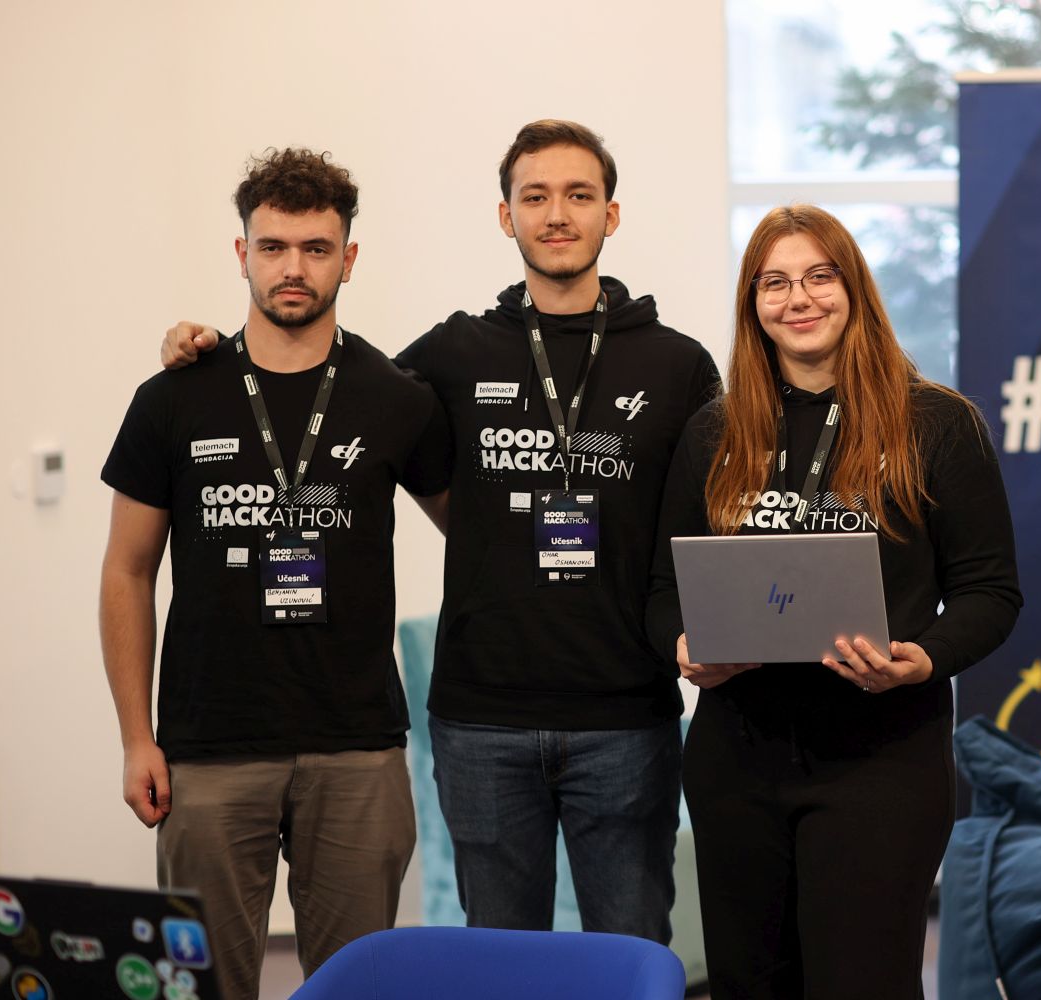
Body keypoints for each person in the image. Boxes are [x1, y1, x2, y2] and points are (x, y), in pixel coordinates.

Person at [159, 121, 720, 943]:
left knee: (631, 953)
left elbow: (704, 526)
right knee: (497, 961)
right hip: (481, 720)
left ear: (611, 213)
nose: (556, 214)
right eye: (535, 196)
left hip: (628, 716)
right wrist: (203, 349)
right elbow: (323, 383)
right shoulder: (454, 353)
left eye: (578, 195)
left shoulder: (678, 365)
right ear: (505, 216)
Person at [645, 204, 1022, 998]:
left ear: (854, 289)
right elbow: (663, 588)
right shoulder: (714, 432)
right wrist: (683, 648)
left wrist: (924, 660)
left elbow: (990, 592)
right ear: (753, 302)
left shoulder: (937, 423)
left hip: (881, 762)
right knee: (749, 986)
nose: (799, 298)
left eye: (820, 276)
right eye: (775, 282)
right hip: (736, 760)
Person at [101, 148, 451, 1000]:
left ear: (348, 258)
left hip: (357, 749)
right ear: (243, 253)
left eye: (316, 248)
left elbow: (476, 540)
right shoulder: (173, 397)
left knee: (354, 989)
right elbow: (126, 572)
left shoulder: (396, 397)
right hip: (209, 748)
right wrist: (137, 737)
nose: (294, 268)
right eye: (274, 247)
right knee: (208, 987)